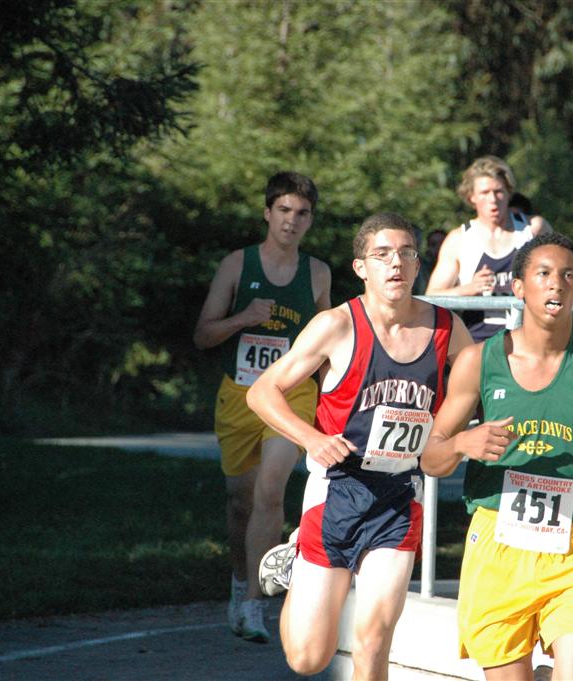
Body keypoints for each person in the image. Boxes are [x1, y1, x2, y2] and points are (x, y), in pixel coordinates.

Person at [245, 213, 472, 678]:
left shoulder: (446, 329)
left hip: (399, 494)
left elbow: (482, 387)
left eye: (406, 253)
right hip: (337, 490)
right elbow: (262, 392)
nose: (396, 264)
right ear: (361, 268)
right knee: (308, 658)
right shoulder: (335, 325)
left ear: (418, 265)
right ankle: (297, 564)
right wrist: (311, 438)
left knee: (373, 641)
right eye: (382, 255)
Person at [422, 232, 573, 681]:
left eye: (568, 276)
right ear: (518, 286)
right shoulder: (478, 361)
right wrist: (462, 444)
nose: (556, 284)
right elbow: (431, 458)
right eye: (543, 273)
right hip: (497, 549)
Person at [192, 171, 331, 643]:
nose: (292, 221)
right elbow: (203, 335)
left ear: (310, 220)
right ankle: (240, 580)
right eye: (284, 210)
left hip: (292, 394)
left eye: (302, 213)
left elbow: (326, 346)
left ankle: (255, 602)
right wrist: (244, 318)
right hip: (239, 393)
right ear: (268, 213)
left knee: (271, 491)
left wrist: (336, 398)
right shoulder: (237, 265)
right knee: (241, 502)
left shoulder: (317, 274)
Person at [425, 156, 549, 342]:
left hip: (531, 343)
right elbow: (432, 296)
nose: (492, 199)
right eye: (484, 192)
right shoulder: (459, 239)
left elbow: (564, 277)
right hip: (478, 343)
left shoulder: (534, 229)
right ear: (471, 197)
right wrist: (468, 289)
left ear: (508, 193)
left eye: (498, 192)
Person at [416, 227, 447, 295]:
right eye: (434, 244)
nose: (439, 248)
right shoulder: (420, 271)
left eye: (442, 243)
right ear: (428, 249)